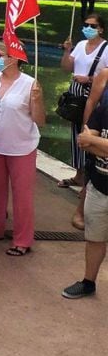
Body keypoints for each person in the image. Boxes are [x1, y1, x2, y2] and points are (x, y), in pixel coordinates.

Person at [0, 46, 45, 256]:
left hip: (21, 146)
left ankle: (23, 239)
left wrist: (38, 100)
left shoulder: (30, 84)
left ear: (14, 59)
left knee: (22, 195)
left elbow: (40, 120)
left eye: (1, 55)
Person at [64, 98, 108, 298]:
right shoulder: (103, 109)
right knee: (94, 239)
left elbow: (91, 141)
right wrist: (96, 144)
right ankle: (88, 282)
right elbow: (83, 141)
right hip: (99, 185)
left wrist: (95, 141)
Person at [60, 14, 108, 195]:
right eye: (86, 25)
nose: (88, 28)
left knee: (90, 134)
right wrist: (67, 51)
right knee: (76, 135)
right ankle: (79, 173)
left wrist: (89, 79)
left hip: (94, 94)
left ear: (101, 28)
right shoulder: (80, 45)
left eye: (93, 26)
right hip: (76, 94)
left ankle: (90, 180)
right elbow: (67, 67)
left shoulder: (106, 48)